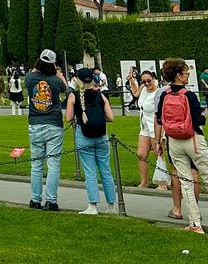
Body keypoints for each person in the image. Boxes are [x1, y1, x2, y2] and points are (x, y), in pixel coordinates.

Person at [154, 58, 208, 234]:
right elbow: (198, 119)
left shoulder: (165, 94)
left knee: (185, 183)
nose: (188, 76)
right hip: (193, 138)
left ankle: (194, 223)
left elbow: (160, 119)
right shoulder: (189, 95)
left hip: (173, 141)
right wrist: (202, 117)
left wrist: (158, 141)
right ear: (179, 75)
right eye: (186, 73)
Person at [65, 67, 117, 214]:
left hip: (84, 134)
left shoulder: (74, 96)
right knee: (106, 170)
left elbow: (68, 118)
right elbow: (111, 117)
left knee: (90, 172)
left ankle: (93, 205)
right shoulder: (100, 96)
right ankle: (112, 205)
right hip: (101, 136)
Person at [25, 48, 68, 212]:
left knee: (36, 165)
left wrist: (39, 67)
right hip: (53, 124)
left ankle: (35, 199)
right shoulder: (56, 82)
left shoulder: (29, 79)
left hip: (35, 123)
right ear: (53, 65)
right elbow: (67, 89)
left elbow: (34, 72)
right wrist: (59, 74)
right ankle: (51, 200)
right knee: (53, 165)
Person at [126, 67, 161, 187]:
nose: (146, 83)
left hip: (155, 127)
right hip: (144, 127)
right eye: (143, 81)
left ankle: (163, 183)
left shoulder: (158, 93)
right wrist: (131, 80)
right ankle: (144, 182)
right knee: (141, 154)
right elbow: (135, 93)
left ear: (154, 79)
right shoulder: (143, 88)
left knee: (158, 155)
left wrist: (160, 134)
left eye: (148, 81)